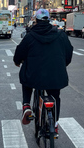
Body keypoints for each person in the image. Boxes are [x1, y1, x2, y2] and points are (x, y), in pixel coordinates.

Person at [13, 8, 73, 137]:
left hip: (34, 75)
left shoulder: (30, 36)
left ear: (36, 20)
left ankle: (26, 105)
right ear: (49, 19)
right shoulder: (60, 34)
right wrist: (64, 63)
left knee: (26, 80)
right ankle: (55, 125)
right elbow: (69, 52)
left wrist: (17, 61)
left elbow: (20, 52)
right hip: (55, 75)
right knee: (55, 96)